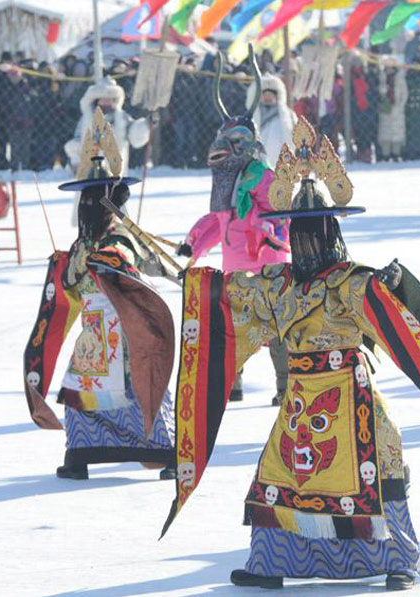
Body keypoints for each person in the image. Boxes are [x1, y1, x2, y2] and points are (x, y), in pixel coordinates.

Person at [162, 116, 420, 591]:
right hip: (302, 400)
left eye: (313, 231)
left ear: (330, 231)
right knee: (278, 471)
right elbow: (234, 298)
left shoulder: (352, 282)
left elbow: (391, 315)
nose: (304, 240)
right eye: (296, 231)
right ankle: (271, 561)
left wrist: (395, 285)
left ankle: (400, 559)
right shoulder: (278, 285)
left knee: (382, 466)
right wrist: (199, 284)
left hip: (353, 398)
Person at [23, 108, 176, 481]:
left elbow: (131, 264)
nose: (88, 207)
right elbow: (73, 283)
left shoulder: (121, 237)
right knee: (78, 387)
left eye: (96, 200)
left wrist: (106, 260)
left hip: (126, 325)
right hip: (94, 328)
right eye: (85, 201)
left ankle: (163, 450)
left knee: (137, 382)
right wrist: (65, 265)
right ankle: (80, 452)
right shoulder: (82, 243)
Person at [177, 48, 291, 405]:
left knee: (277, 330)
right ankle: (233, 383)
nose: (230, 148)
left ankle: (286, 386)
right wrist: (191, 247)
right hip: (236, 267)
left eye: (237, 142)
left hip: (268, 265)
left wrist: (254, 221)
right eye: (227, 141)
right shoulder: (225, 180)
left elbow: (281, 217)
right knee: (234, 328)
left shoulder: (262, 175)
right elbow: (217, 220)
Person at [64, 77, 149, 176]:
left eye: (109, 100)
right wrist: (75, 161)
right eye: (103, 100)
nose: (106, 103)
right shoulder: (86, 119)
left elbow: (134, 135)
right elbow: (78, 141)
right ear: (96, 101)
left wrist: (145, 125)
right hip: (91, 171)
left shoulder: (121, 118)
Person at [246, 73, 297, 166]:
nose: (267, 98)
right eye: (265, 95)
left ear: (277, 96)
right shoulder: (254, 114)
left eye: (270, 95)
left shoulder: (287, 115)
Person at [377, 65, 408, 161]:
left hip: (397, 108)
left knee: (397, 131)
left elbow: (404, 93)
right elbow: (378, 93)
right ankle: (385, 153)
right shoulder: (381, 78)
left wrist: (400, 105)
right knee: (385, 131)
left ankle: (396, 153)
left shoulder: (400, 78)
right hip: (385, 109)